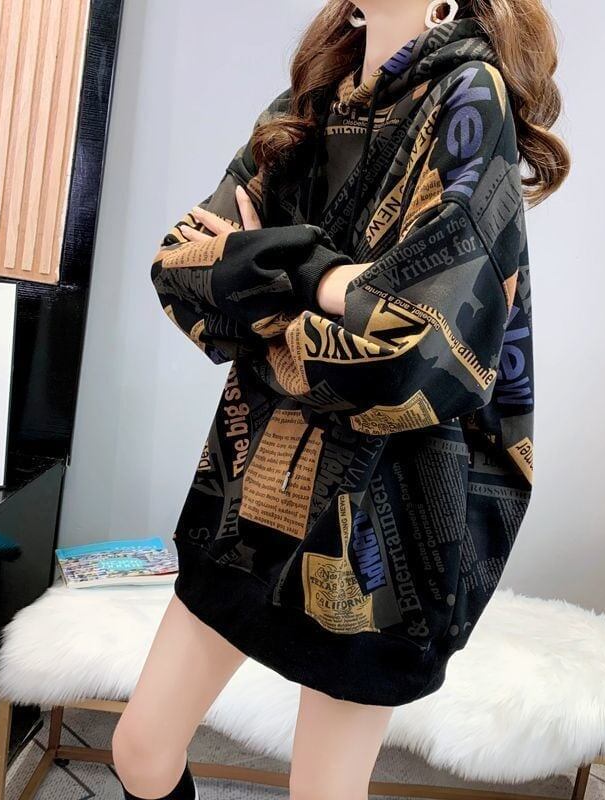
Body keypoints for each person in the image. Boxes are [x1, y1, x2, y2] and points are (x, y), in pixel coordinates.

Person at [112, 1, 569, 798]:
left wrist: (270, 273)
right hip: (250, 492)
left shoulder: (469, 94)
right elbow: (182, 270)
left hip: (389, 522)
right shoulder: (307, 104)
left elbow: (417, 352)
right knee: (140, 750)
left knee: (322, 791)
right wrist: (330, 283)